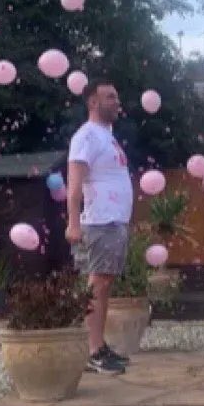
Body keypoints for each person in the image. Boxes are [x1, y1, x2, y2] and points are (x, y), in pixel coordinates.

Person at [66, 78, 133, 375]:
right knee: (98, 285)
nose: (116, 102)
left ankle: (99, 346)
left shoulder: (107, 136)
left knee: (104, 286)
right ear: (93, 102)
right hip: (99, 221)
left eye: (117, 97)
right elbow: (74, 184)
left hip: (114, 220)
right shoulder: (86, 137)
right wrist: (73, 223)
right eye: (110, 97)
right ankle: (93, 351)